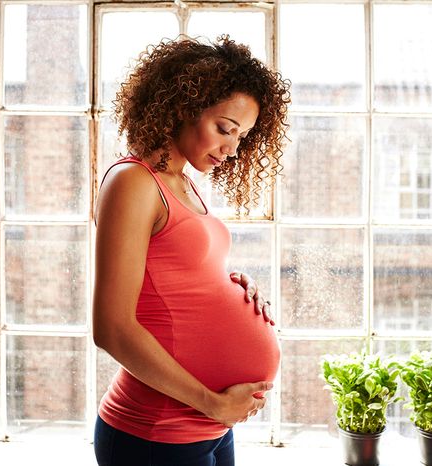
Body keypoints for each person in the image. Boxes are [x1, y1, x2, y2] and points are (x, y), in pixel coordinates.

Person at [93, 35, 291, 466]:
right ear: (182, 106)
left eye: (243, 136)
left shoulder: (182, 183)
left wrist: (230, 285)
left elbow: (170, 276)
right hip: (157, 432)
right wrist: (211, 402)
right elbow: (111, 328)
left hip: (207, 427)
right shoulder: (133, 182)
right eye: (225, 128)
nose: (233, 149)